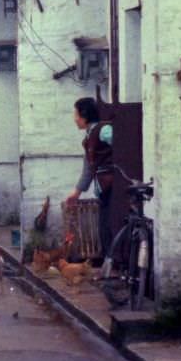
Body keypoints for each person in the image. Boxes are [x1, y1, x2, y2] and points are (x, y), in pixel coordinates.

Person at [67, 97, 113, 260]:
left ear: (84, 115)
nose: (75, 119)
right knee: (104, 228)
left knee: (109, 226)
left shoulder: (103, 130)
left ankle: (113, 264)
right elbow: (88, 168)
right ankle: (110, 264)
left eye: (76, 114)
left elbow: (122, 144)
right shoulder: (89, 138)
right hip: (103, 188)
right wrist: (77, 192)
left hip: (113, 187)